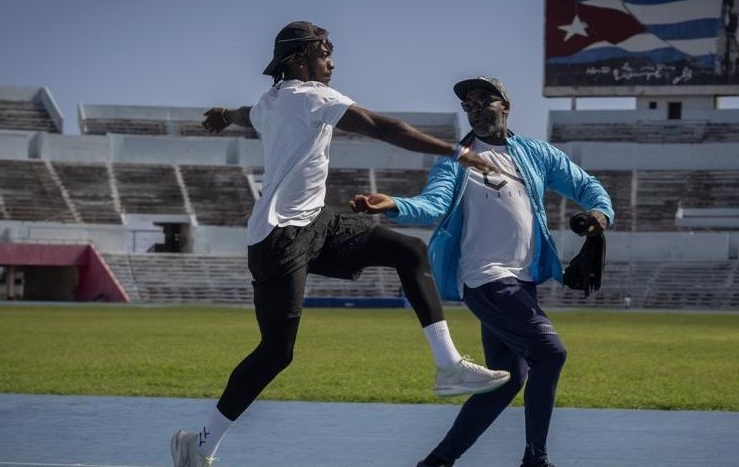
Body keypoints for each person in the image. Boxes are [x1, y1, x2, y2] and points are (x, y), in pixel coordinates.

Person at [169, 22, 510, 467]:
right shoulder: (314, 97)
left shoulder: (270, 103)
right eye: (324, 52)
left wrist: (223, 116)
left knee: (409, 250)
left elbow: (243, 111)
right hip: (279, 238)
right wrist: (457, 152)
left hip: (316, 223)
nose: (332, 61)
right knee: (276, 353)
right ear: (298, 60)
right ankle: (200, 446)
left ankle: (448, 366)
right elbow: (384, 127)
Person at [351, 76, 614, 467]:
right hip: (487, 278)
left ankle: (438, 461)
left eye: (482, 100)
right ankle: (535, 459)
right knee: (550, 353)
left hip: (522, 282)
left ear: (504, 105)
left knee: (507, 378)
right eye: (468, 104)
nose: (474, 108)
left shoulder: (536, 153)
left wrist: (599, 216)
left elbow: (588, 186)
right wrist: (394, 205)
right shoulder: (456, 158)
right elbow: (434, 203)